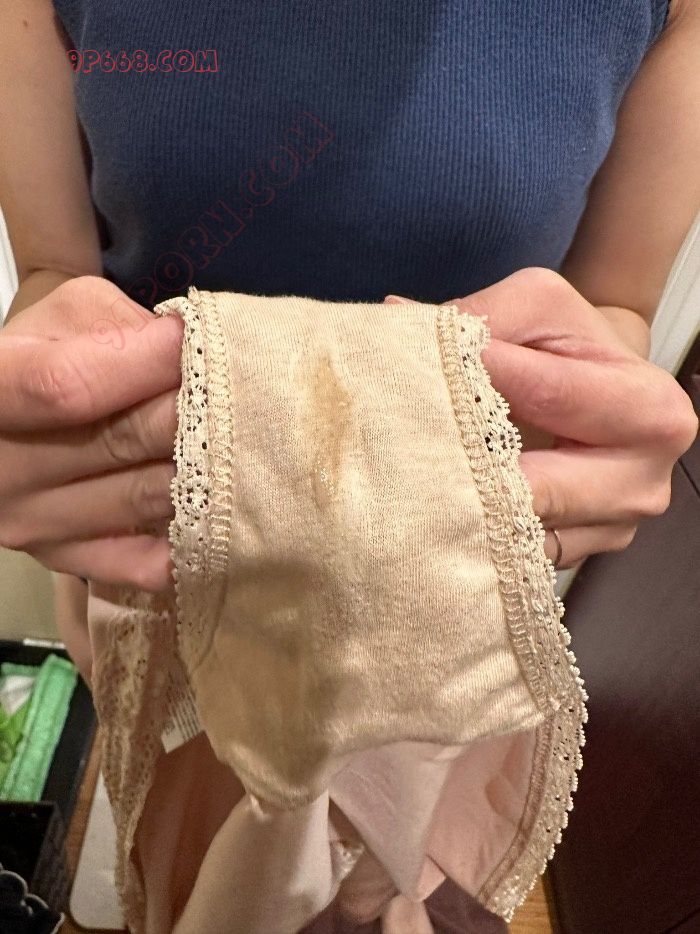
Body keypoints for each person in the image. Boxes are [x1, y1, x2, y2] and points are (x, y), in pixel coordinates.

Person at [0, 0, 697, 930]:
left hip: (439, 591)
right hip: (163, 562)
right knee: (187, 863)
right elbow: (54, 276)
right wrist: (40, 408)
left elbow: (614, 306)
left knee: (383, 882)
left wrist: (602, 408)